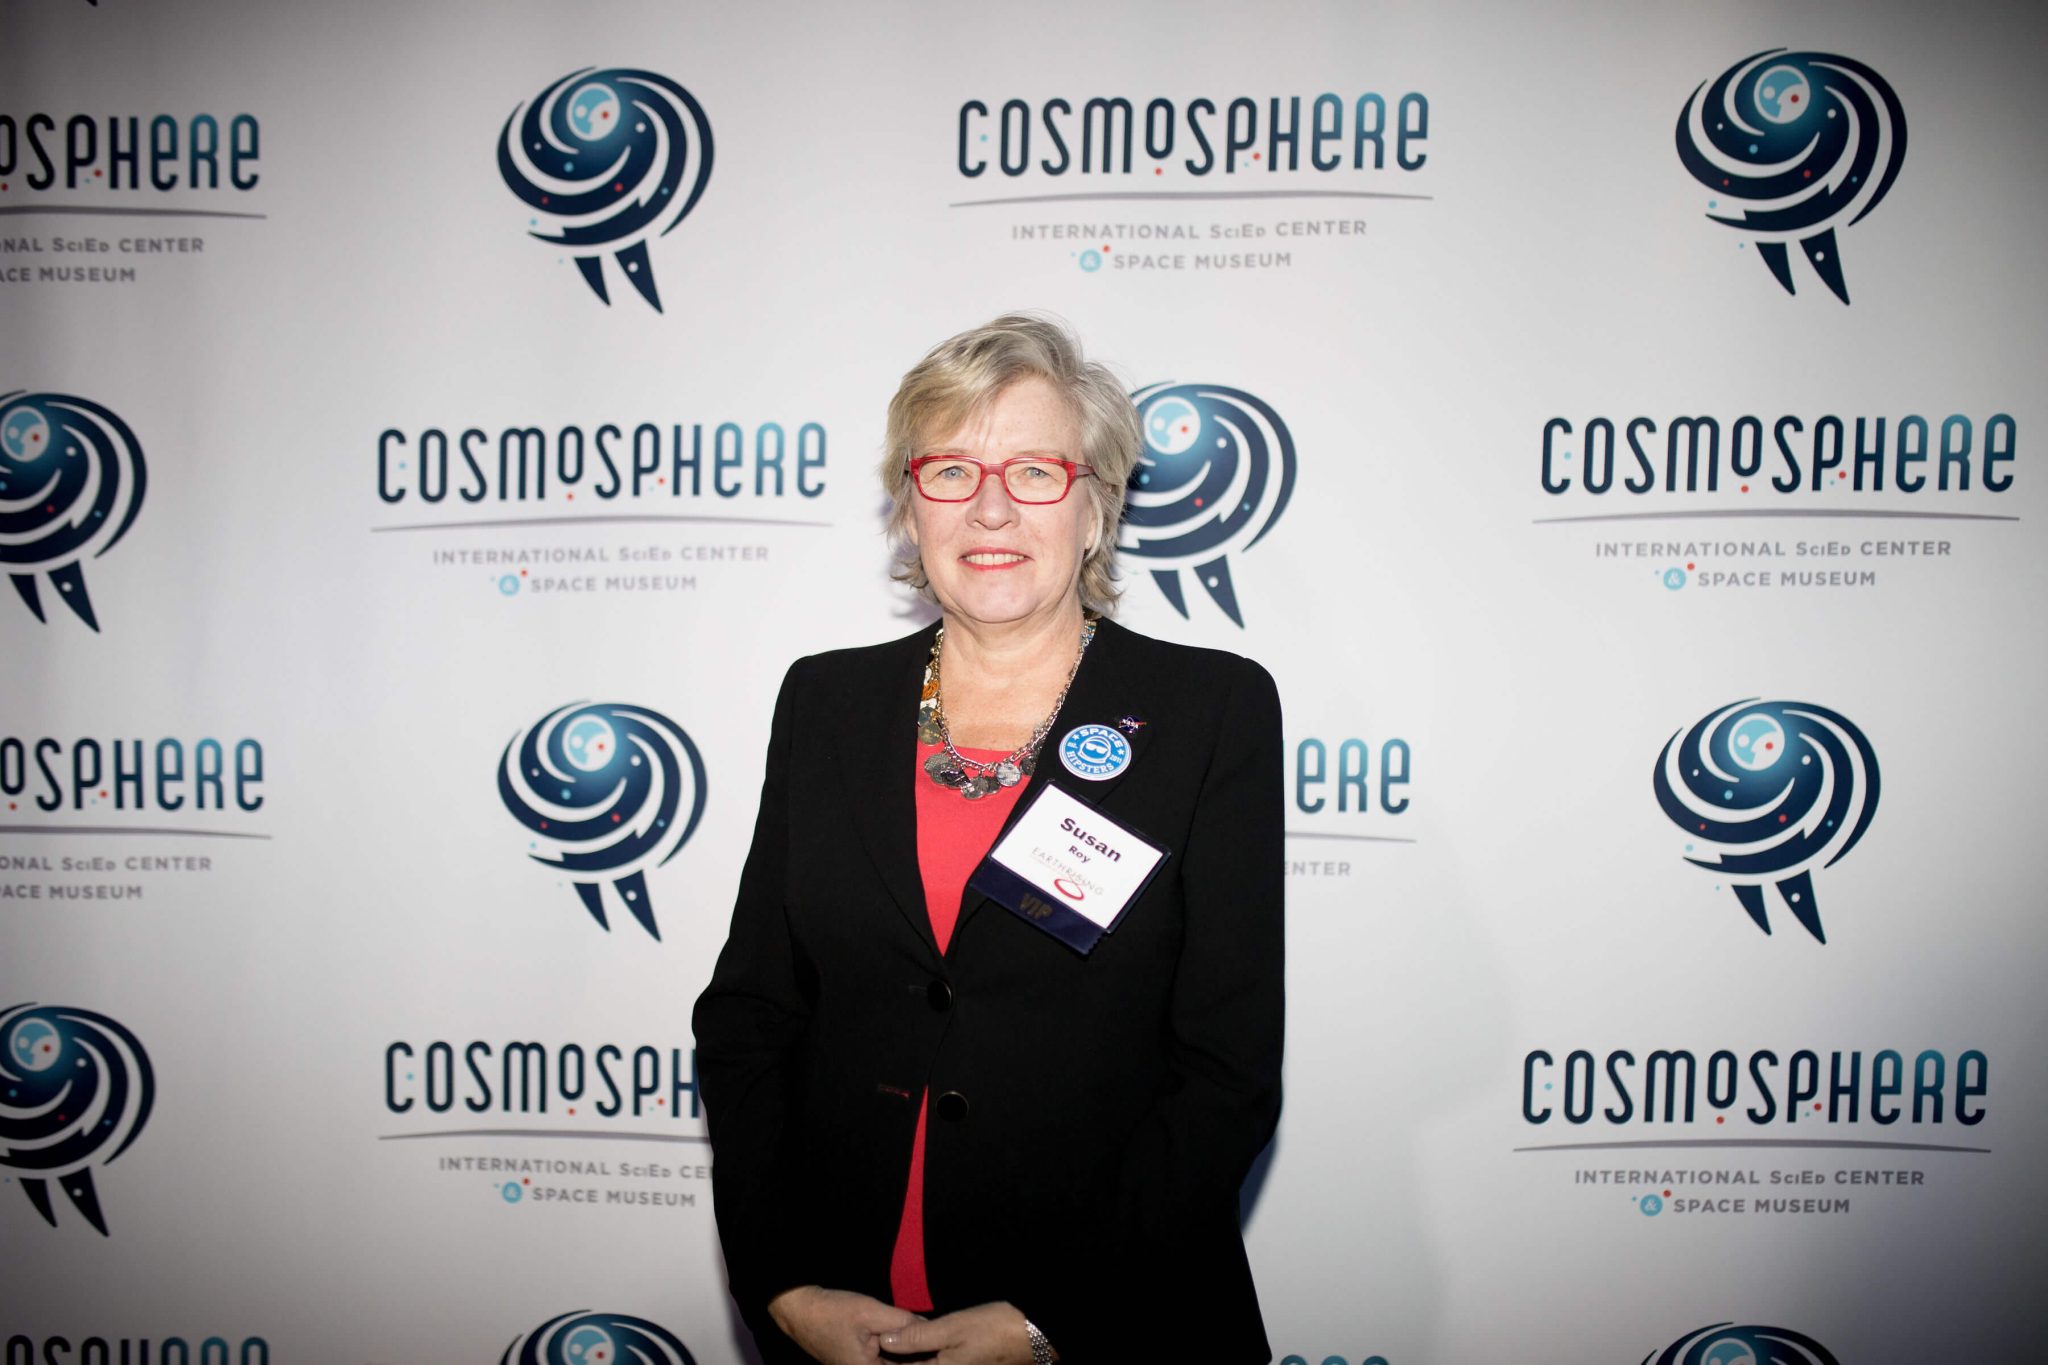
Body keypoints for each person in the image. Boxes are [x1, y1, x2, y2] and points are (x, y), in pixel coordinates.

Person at [693, 314, 1284, 1365]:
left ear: (1095, 508)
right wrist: (785, 1285)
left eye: (1036, 471)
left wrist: (1047, 1318)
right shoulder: (825, 702)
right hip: (845, 1314)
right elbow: (751, 1015)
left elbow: (1224, 1070)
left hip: (1112, 1316)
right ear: (909, 505)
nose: (991, 507)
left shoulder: (1208, 711)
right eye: (951, 471)